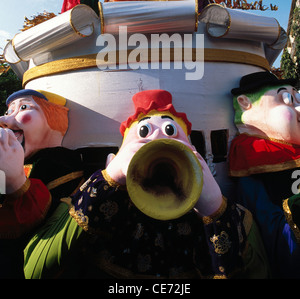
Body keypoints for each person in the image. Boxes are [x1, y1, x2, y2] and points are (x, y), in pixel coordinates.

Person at [23, 89, 270, 279]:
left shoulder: (237, 219)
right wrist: (108, 180)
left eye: (171, 131)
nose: (158, 137)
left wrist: (216, 212)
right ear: (113, 159)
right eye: (144, 132)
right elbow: (34, 271)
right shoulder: (79, 205)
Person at [0, 89, 84, 278]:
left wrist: (15, 181)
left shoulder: (58, 162)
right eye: (8, 112)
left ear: (52, 118)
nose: (4, 119)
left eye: (23, 107)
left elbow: (48, 222)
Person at [228, 71, 300, 278]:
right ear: (244, 103)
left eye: (297, 98)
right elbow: (266, 223)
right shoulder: (254, 157)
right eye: (286, 100)